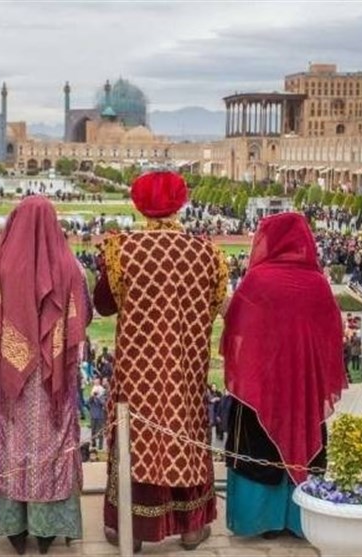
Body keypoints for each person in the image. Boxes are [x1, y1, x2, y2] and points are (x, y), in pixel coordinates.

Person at [94, 171, 227, 552]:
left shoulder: (123, 249)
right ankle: (189, 528)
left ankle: (132, 530)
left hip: (139, 372)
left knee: (138, 441)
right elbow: (218, 305)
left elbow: (104, 305)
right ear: (181, 202)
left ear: (139, 205)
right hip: (185, 369)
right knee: (185, 436)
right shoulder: (207, 253)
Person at [223, 212, 346, 539]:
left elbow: (235, 328)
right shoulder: (318, 283)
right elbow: (333, 336)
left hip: (263, 385)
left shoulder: (258, 280)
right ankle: (300, 518)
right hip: (304, 389)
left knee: (260, 448)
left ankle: (262, 520)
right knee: (304, 439)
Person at [0, 196, 91, 555]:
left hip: (13, 381)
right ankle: (47, 530)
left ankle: (13, 527)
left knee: (12, 445)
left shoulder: (3, 263)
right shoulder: (69, 266)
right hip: (52, 377)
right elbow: (83, 317)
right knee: (51, 444)